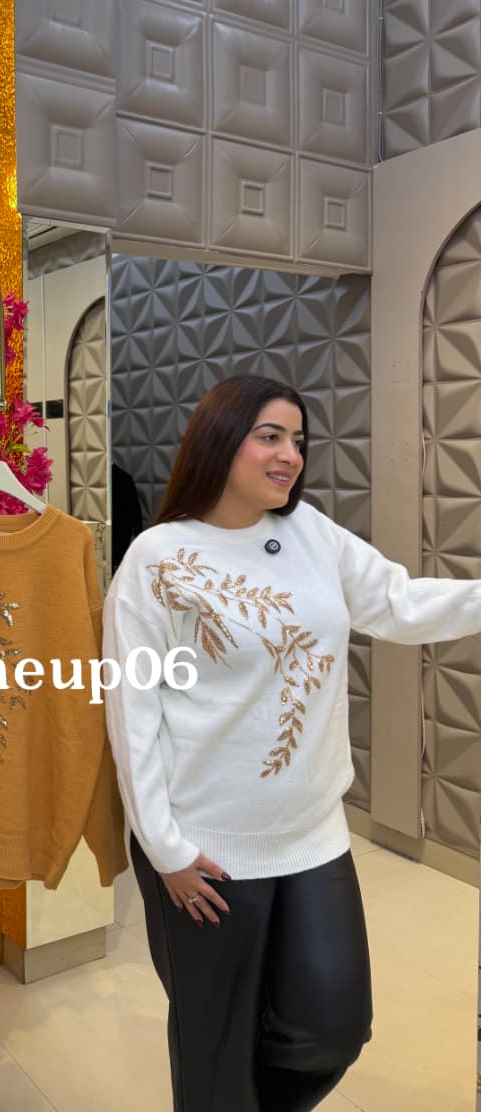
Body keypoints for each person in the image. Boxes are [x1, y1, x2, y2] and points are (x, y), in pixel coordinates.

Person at [102, 374, 481, 1112]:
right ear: (221, 442)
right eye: (269, 436)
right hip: (204, 848)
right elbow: (131, 706)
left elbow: (398, 602)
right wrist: (164, 847)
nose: (290, 456)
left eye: (298, 441)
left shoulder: (311, 534)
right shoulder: (158, 558)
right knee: (216, 1048)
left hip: (313, 835)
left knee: (331, 1029)